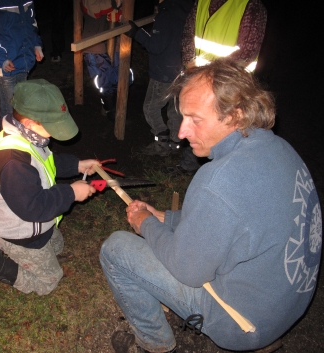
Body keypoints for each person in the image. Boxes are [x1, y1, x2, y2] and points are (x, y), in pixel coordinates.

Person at [100, 59, 322, 353]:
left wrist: (145, 223)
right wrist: (164, 218)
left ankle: (153, 343)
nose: (181, 132)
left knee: (115, 249)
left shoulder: (217, 180)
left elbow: (187, 271)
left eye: (195, 119)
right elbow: (229, 221)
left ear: (235, 115)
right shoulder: (279, 149)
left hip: (241, 323)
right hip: (286, 306)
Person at [0, 79, 99, 301]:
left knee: (57, 246)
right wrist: (71, 193)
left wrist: (77, 165)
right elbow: (33, 207)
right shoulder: (14, 162)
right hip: (20, 230)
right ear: (31, 123)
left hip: (29, 223)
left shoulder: (29, 137)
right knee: (49, 280)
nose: (53, 134)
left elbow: (45, 163)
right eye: (52, 127)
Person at [165, 0, 267, 176]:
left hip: (229, 91)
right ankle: (191, 166)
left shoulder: (251, 6)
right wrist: (192, 74)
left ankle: (225, 174)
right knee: (196, 126)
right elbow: (189, 37)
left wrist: (208, 81)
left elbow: (246, 53)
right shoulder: (202, 3)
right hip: (198, 86)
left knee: (226, 138)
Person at [125, 0, 193, 157]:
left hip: (163, 73)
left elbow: (155, 46)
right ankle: (176, 143)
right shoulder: (189, 11)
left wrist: (137, 33)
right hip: (182, 71)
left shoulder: (167, 14)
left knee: (150, 107)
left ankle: (162, 141)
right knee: (175, 108)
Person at [0, 0, 43, 121]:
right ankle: (8, 138)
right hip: (5, 66)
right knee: (9, 110)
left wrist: (36, 45)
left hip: (24, 61)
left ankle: (19, 137)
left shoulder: (27, 1)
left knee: (21, 109)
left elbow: (32, 25)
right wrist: (1, 59)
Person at [81, 0, 133, 121]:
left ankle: (118, 106)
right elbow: (92, 9)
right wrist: (114, 3)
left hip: (117, 41)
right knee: (104, 78)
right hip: (95, 43)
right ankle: (110, 109)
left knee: (121, 75)